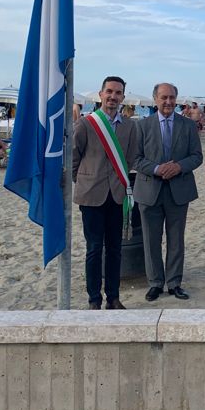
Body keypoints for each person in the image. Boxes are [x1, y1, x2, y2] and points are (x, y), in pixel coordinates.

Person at [73, 76, 139, 310]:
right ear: (100, 95)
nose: (113, 96)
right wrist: (84, 180)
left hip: (117, 195)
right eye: (109, 91)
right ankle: (94, 298)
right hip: (91, 196)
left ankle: (113, 297)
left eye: (118, 92)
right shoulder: (86, 123)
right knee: (93, 249)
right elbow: (74, 158)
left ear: (123, 97)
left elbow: (130, 157)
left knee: (114, 249)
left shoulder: (130, 126)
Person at [133, 82, 203, 302]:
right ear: (155, 99)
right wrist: (157, 169)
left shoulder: (188, 126)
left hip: (178, 190)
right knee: (151, 240)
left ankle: (174, 282)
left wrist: (178, 166)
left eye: (172, 97)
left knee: (176, 240)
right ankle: (155, 283)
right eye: (164, 97)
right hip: (149, 190)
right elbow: (135, 158)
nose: (168, 102)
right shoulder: (142, 126)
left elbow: (196, 156)